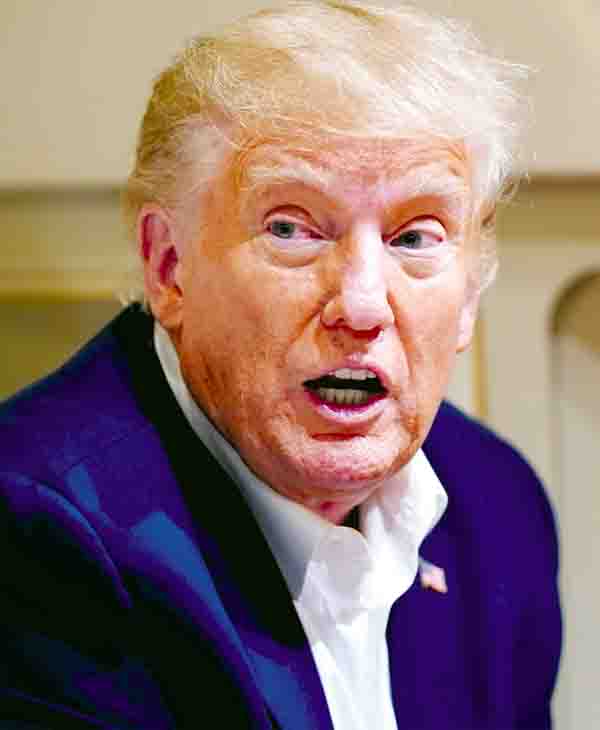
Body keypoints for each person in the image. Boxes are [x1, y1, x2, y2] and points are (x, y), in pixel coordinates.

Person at [0, 2, 561, 728]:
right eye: (291, 228)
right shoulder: (37, 536)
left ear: (470, 297)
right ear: (168, 266)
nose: (362, 304)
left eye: (414, 238)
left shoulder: (498, 505)